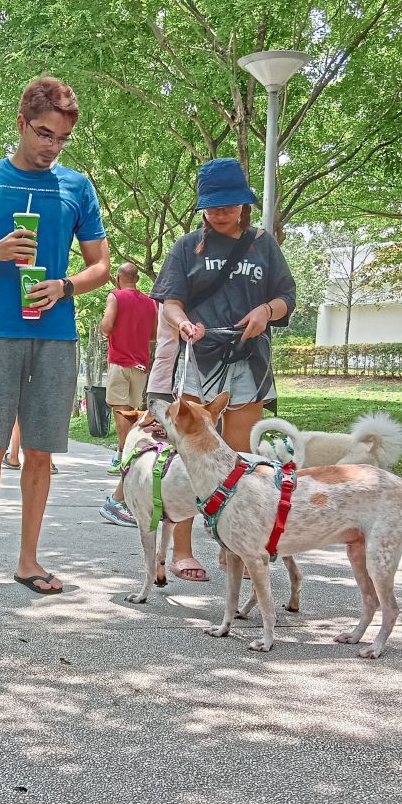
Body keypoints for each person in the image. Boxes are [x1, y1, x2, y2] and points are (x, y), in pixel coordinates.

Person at [0, 75, 111, 596]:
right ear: (21, 123)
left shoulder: (77, 187)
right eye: (43, 134)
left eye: (61, 139)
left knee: (40, 452)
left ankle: (29, 561)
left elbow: (101, 265)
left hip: (56, 337)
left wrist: (64, 286)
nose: (50, 147)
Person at [147, 157, 296, 581]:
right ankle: (182, 550)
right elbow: (170, 300)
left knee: (244, 455)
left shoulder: (262, 244)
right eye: (212, 206)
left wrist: (267, 311)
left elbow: (288, 296)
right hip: (199, 357)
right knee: (192, 455)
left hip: (248, 358)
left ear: (244, 204)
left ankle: (240, 547)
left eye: (228, 204)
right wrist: (182, 323)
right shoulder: (185, 246)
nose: (220, 212)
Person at [98, 263, 157, 526]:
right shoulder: (151, 303)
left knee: (120, 410)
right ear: (138, 278)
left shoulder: (115, 296)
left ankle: (123, 452)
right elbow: (154, 335)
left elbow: (107, 326)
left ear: (120, 278)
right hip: (141, 364)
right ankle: (130, 450)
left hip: (120, 362)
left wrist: (105, 326)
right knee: (135, 412)